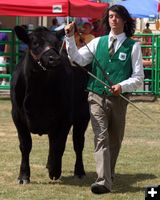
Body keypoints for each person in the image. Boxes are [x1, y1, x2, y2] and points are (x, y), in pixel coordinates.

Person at [65, 4, 144, 194]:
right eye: (110, 16)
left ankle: (108, 173)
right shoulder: (97, 42)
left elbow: (139, 77)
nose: (113, 19)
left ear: (125, 21)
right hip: (96, 96)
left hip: (118, 100)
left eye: (117, 16)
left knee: (115, 139)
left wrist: (122, 86)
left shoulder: (133, 46)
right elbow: (77, 59)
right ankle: (103, 182)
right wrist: (69, 37)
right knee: (101, 137)